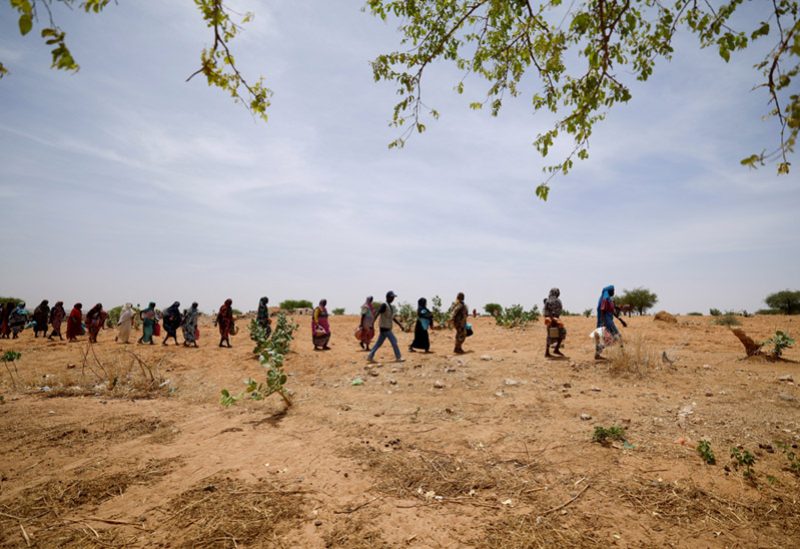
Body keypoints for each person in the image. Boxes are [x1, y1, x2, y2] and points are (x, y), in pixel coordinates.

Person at [368, 291, 405, 363]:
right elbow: (377, 313)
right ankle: (398, 357)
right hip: (385, 328)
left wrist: (400, 325)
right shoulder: (384, 305)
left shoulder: (390, 306)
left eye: (393, 297)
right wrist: (372, 324)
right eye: (392, 297)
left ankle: (370, 356)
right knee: (394, 341)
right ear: (387, 297)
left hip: (386, 328)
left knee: (378, 343)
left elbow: (392, 317)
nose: (393, 299)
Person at [595, 285, 627, 360]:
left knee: (614, 338)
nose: (614, 292)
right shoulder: (605, 299)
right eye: (613, 291)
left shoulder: (608, 300)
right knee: (617, 337)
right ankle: (623, 355)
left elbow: (612, 312)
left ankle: (598, 353)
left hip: (607, 321)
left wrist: (621, 320)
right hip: (607, 322)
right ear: (609, 291)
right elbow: (602, 310)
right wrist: (603, 323)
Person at [543, 288, 566, 358]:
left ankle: (547, 352)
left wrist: (549, 317)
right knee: (562, 333)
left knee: (549, 335)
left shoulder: (547, 300)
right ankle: (556, 349)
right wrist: (555, 318)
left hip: (549, 320)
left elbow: (544, 311)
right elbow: (559, 311)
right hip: (556, 320)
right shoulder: (558, 301)